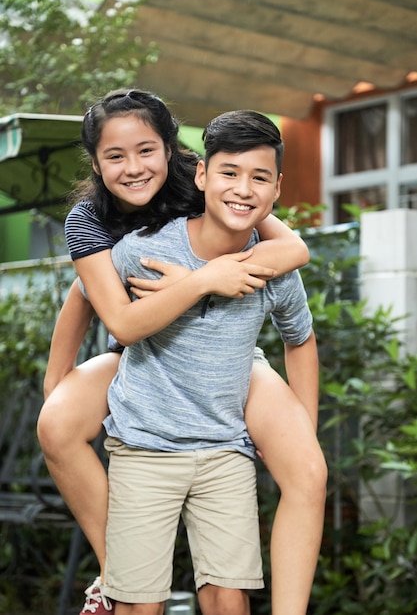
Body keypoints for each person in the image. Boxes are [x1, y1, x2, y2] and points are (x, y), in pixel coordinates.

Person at [37, 89, 326, 615]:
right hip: (139, 351)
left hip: (229, 351)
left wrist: (215, 274)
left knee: (308, 470)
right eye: (114, 156)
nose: (133, 168)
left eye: (147, 150)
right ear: (96, 163)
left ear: (173, 152)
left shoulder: (214, 179)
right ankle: (115, 572)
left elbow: (294, 251)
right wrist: (55, 381)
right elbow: (90, 301)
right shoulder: (90, 221)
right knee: (55, 423)